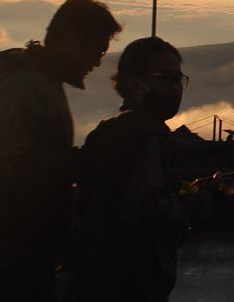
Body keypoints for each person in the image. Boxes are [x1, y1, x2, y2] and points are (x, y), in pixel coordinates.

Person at [0, 0, 122, 302]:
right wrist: (79, 161)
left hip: (26, 254)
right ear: (72, 39)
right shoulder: (23, 88)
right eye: (96, 51)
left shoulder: (39, 84)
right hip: (8, 261)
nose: (97, 62)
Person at [76, 36, 214, 302]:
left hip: (99, 273)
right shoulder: (143, 139)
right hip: (132, 279)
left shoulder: (107, 132)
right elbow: (147, 212)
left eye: (178, 79)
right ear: (134, 83)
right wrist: (199, 201)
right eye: (165, 78)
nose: (176, 88)